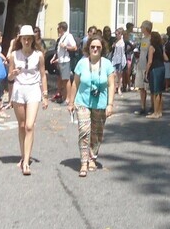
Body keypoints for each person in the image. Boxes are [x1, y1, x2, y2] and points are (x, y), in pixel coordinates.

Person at [67, 33, 116, 177]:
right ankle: (83, 162)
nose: (95, 49)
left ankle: (92, 157)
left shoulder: (107, 64)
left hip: (100, 103)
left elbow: (111, 85)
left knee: (97, 132)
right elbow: (75, 83)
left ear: (102, 49)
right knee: (84, 131)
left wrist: (110, 104)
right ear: (88, 48)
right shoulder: (82, 63)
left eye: (98, 47)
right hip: (82, 102)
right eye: (92, 47)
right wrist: (71, 102)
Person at [8, 25, 49, 175]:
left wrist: (45, 95)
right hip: (19, 90)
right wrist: (12, 74)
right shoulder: (14, 55)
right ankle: (24, 155)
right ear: (20, 39)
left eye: (29, 39)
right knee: (22, 125)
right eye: (24, 38)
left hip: (33, 90)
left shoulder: (38, 55)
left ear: (32, 40)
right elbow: (10, 78)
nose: (26, 41)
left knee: (30, 126)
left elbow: (43, 75)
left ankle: (26, 162)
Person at [51, 21, 77, 104]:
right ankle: (65, 97)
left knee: (66, 80)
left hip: (66, 60)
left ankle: (68, 99)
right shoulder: (62, 37)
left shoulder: (68, 36)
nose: (57, 29)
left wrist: (65, 46)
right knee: (63, 80)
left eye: (58, 28)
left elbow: (74, 47)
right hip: (61, 60)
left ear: (61, 28)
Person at [145, 30, 167, 119]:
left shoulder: (151, 47)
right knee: (160, 91)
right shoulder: (160, 47)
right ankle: (160, 111)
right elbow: (166, 58)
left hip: (155, 69)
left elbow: (150, 61)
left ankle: (155, 112)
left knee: (155, 92)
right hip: (162, 68)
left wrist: (146, 72)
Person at [134, 20, 153, 114]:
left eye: (142, 27)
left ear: (146, 28)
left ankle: (153, 106)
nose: (141, 28)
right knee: (141, 87)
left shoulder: (151, 39)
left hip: (147, 66)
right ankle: (142, 106)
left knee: (149, 88)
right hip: (140, 65)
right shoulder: (142, 39)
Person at [109, 27, 127, 93]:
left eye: (117, 34)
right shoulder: (115, 41)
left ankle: (119, 88)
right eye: (115, 34)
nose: (116, 36)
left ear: (120, 34)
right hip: (115, 58)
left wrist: (123, 61)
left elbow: (123, 53)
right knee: (114, 73)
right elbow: (113, 49)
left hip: (120, 59)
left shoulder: (122, 42)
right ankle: (114, 87)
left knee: (119, 75)